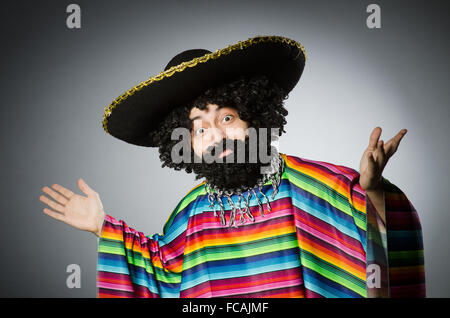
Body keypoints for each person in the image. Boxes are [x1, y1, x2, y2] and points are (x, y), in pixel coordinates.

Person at [39, 35, 425, 298]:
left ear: (254, 116)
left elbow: (380, 250)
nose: (216, 136)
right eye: (199, 128)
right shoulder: (192, 213)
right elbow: (161, 274)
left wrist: (372, 189)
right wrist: (101, 227)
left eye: (226, 118)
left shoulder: (319, 184)